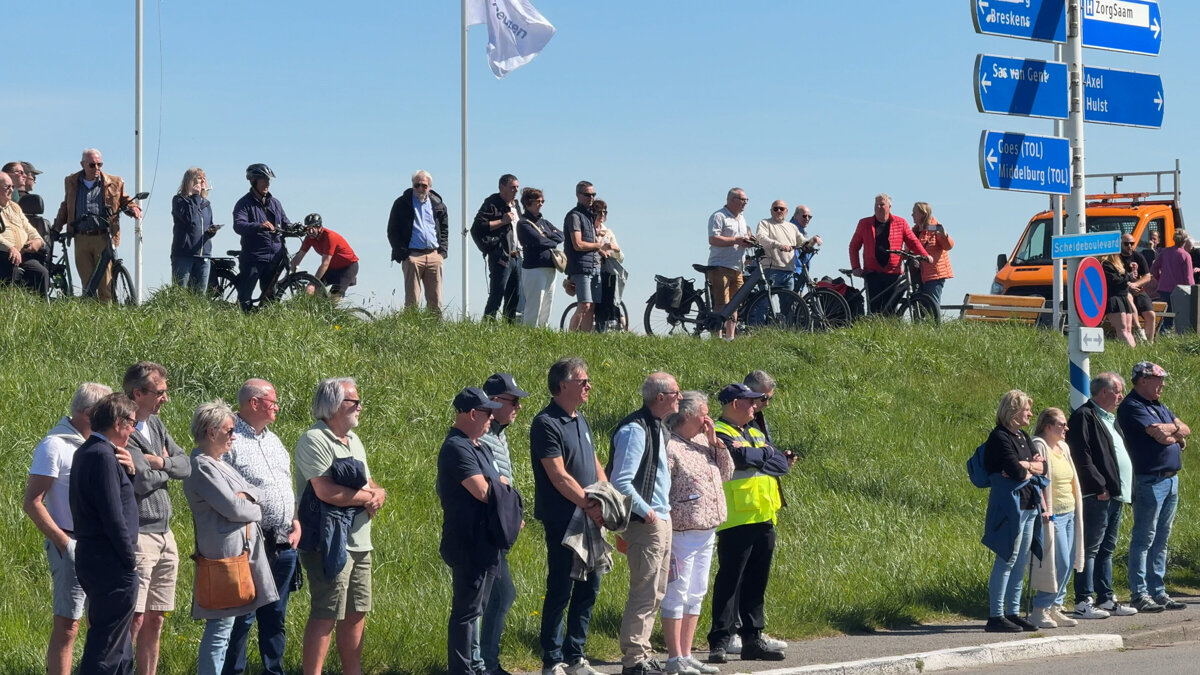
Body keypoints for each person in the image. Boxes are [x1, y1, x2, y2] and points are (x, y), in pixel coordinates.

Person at [294, 377, 387, 675]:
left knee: (356, 612)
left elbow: (368, 483)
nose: (361, 407)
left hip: (360, 542)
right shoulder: (314, 440)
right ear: (334, 406)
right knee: (326, 613)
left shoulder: (355, 441)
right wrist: (368, 498)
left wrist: (379, 491)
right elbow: (325, 491)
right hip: (328, 542)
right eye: (354, 402)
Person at [23, 383, 117, 675]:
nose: (115, 418)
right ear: (89, 413)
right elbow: (32, 502)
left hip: (102, 545)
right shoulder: (55, 445)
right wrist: (65, 544)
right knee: (68, 624)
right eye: (107, 411)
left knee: (100, 622)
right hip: (71, 544)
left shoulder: (105, 444)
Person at [183, 401, 280, 675]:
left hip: (240, 553)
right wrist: (252, 507)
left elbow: (254, 491)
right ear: (211, 432)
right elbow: (234, 508)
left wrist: (246, 499)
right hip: (223, 557)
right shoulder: (202, 466)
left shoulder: (220, 464)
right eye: (229, 430)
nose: (233, 435)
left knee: (228, 627)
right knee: (220, 628)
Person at [530, 357, 608, 675]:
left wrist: (606, 499)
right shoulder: (546, 423)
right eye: (583, 381)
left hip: (592, 515)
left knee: (590, 586)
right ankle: (552, 659)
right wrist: (590, 504)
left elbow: (594, 462)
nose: (588, 386)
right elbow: (558, 476)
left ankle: (576, 655)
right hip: (564, 517)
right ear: (564, 385)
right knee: (561, 586)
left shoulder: (580, 419)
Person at [707, 383, 793, 663]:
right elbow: (739, 459)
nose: (756, 405)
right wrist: (762, 456)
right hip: (737, 518)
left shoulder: (754, 431)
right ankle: (719, 640)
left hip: (765, 516)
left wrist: (762, 456)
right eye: (751, 401)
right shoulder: (720, 430)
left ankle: (753, 640)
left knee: (757, 582)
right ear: (734, 403)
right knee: (730, 582)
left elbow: (780, 463)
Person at [221, 379, 301, 675]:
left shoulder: (274, 440)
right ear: (254, 404)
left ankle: (273, 671)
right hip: (250, 542)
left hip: (284, 542)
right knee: (243, 617)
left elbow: (285, 486)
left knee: (276, 617)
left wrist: (296, 522)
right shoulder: (230, 442)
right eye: (272, 401)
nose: (277, 406)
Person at [610, 373, 681, 675]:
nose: (681, 397)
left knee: (657, 591)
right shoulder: (635, 430)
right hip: (645, 521)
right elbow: (621, 482)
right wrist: (647, 511)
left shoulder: (657, 428)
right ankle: (634, 659)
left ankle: (643, 652)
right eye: (676, 392)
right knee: (644, 590)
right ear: (661, 397)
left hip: (661, 518)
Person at [124, 362, 191, 675]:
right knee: (134, 617)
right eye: (160, 392)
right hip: (140, 535)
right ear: (138, 393)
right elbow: (140, 481)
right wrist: (165, 467)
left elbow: (186, 465)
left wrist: (158, 461)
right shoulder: (126, 427)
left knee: (157, 617)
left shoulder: (157, 426)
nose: (166, 398)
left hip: (166, 534)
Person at [69, 392, 140, 675]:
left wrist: (130, 474)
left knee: (119, 644)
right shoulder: (101, 455)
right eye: (132, 422)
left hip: (96, 557)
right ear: (119, 422)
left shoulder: (88, 451)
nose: (134, 430)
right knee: (107, 644)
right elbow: (113, 515)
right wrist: (129, 558)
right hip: (110, 560)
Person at [661, 392, 730, 675]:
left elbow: (726, 473)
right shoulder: (670, 447)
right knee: (677, 593)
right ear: (687, 415)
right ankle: (674, 657)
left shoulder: (705, 442)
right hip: (682, 532)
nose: (708, 419)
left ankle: (687, 654)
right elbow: (662, 488)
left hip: (707, 530)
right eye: (704, 413)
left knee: (696, 593)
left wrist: (715, 442)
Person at [439, 387, 506, 675]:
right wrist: (500, 489)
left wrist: (499, 488)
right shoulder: (457, 446)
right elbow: (482, 490)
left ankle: (474, 667)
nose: (493, 417)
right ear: (472, 414)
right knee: (466, 613)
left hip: (486, 541)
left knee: (476, 609)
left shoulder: (481, 446)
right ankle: (462, 670)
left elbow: (499, 483)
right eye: (488, 412)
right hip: (468, 542)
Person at [1118, 361, 1191, 613]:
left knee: (1162, 537)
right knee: (1145, 537)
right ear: (1143, 380)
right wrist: (1176, 435)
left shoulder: (1158, 405)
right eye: (1158, 380)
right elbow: (1157, 434)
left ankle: (1157, 590)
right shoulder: (1132, 406)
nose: (1163, 384)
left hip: (1171, 479)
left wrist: (1174, 432)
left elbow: (1185, 430)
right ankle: (1139, 593)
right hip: (1149, 479)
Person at [1067, 372, 1138, 620]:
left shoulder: (1110, 418)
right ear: (1104, 392)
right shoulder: (1084, 416)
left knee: (1107, 549)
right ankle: (1083, 600)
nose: (1121, 395)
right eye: (1118, 391)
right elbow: (1082, 455)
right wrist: (1099, 487)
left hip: (1115, 495)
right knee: (1090, 548)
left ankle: (1106, 598)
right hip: (1099, 495)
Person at [474, 373, 531, 675]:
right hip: (485, 530)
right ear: (494, 401)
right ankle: (483, 664)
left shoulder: (499, 434)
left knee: (493, 597)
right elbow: (491, 482)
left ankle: (484, 662)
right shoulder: (483, 435)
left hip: (498, 529)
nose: (518, 407)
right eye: (514, 401)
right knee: (493, 597)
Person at [981, 390, 1044, 633]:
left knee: (1020, 562)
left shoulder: (1023, 436)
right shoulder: (999, 437)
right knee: (1007, 558)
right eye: (1026, 409)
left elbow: (1043, 466)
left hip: (1028, 503)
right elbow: (1016, 472)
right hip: (1010, 505)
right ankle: (995, 615)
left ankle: (1013, 611)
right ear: (1013, 411)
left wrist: (1027, 466)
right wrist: (1028, 467)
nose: (1030, 413)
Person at [52, 149, 143, 302]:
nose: (96, 168)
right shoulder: (72, 181)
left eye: (99, 164)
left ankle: (107, 318)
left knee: (104, 284)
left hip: (103, 236)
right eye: (92, 165)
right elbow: (66, 206)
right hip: (81, 236)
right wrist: (56, 227)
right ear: (83, 164)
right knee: (87, 284)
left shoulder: (114, 182)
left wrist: (133, 208)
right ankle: (90, 320)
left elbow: (124, 200)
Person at [1029, 408, 1084, 629]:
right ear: (1048, 426)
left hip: (1070, 510)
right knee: (1057, 562)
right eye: (1062, 425)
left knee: (1069, 561)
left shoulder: (1064, 447)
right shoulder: (1039, 445)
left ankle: (1055, 606)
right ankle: (1040, 608)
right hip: (1053, 514)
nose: (1066, 428)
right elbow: (1038, 479)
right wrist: (1044, 507)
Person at [848, 193, 932, 315]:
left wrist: (925, 255)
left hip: (893, 272)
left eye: (882, 204)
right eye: (876, 205)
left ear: (889, 206)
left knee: (891, 308)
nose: (878, 207)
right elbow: (854, 247)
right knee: (875, 308)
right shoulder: (864, 224)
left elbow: (913, 241)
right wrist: (856, 267)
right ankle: (873, 330)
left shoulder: (900, 223)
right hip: (872, 272)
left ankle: (891, 330)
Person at [388, 169, 448, 315]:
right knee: (412, 298)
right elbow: (392, 231)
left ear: (430, 187)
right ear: (412, 185)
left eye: (424, 186)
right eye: (417, 185)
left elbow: (445, 229)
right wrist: (404, 254)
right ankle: (412, 328)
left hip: (434, 255)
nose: (420, 189)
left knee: (436, 299)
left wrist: (442, 252)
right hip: (413, 256)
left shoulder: (438, 204)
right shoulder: (402, 203)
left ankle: (436, 330)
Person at [233, 163, 290, 312]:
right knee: (245, 298)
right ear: (253, 181)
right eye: (264, 180)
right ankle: (240, 323)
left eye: (268, 180)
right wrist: (259, 225)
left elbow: (285, 222)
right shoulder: (244, 204)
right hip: (254, 257)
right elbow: (238, 225)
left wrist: (298, 228)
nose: (267, 183)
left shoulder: (275, 203)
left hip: (274, 258)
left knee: (270, 298)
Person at [706, 188, 755, 340]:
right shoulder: (719, 216)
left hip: (738, 267)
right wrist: (736, 240)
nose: (745, 203)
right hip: (721, 266)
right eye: (742, 199)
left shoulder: (742, 218)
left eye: (746, 200)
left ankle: (730, 338)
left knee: (735, 304)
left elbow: (741, 238)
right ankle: (717, 337)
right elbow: (713, 239)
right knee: (722, 303)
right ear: (731, 199)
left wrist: (748, 241)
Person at [474, 174, 524, 322]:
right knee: (497, 294)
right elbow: (478, 226)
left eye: (517, 187)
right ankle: (487, 326)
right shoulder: (492, 203)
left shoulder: (516, 205)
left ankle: (509, 330)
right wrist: (502, 221)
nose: (515, 190)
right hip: (501, 256)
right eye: (512, 187)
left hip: (517, 256)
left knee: (514, 296)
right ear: (502, 187)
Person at [564, 181, 609, 332]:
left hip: (594, 266)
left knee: (592, 307)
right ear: (578, 195)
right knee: (584, 305)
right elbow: (578, 244)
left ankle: (585, 339)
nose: (591, 197)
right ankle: (570, 336)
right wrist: (598, 246)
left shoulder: (590, 217)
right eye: (587, 194)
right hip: (580, 267)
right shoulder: (574, 216)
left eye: (593, 194)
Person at [517, 187, 565, 328]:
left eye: (542, 200)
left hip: (550, 268)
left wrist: (547, 235)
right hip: (534, 269)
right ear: (528, 202)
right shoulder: (523, 223)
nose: (541, 203)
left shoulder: (544, 222)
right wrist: (549, 238)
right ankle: (529, 333)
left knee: (547, 305)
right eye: (538, 201)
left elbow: (561, 235)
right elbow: (538, 241)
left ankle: (542, 333)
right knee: (534, 306)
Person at [0, 170, 50, 297]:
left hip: (22, 253)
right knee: (12, 272)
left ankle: (41, 311)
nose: (12, 190)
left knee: (41, 273)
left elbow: (29, 229)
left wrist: (37, 241)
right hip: (4, 254)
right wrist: (10, 247)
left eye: (12, 187)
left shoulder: (15, 207)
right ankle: (9, 308)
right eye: (7, 187)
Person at [168, 167, 217, 292]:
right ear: (190, 181)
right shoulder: (179, 200)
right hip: (184, 254)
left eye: (203, 179)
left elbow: (207, 224)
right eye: (198, 179)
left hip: (203, 254)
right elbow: (189, 218)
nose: (202, 182)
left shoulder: (206, 204)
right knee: (181, 292)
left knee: (200, 294)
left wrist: (211, 231)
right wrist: (195, 197)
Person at [290, 213, 360, 298]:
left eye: (313, 228)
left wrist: (313, 283)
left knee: (333, 298)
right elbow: (298, 257)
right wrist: (289, 277)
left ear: (319, 227)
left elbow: (325, 264)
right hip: (332, 267)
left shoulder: (330, 237)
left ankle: (334, 309)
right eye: (308, 228)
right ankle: (312, 310)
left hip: (347, 268)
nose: (310, 231)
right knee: (310, 293)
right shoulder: (309, 238)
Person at [756, 200, 812, 290]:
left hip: (789, 272)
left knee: (788, 302)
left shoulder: (792, 227)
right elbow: (761, 238)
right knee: (766, 302)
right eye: (775, 209)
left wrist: (814, 241)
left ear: (786, 211)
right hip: (771, 270)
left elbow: (802, 241)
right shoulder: (765, 223)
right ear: (771, 211)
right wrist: (779, 245)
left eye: (781, 209)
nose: (779, 211)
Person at [591, 200, 627, 331]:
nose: (602, 215)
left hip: (607, 272)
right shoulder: (588, 230)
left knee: (609, 302)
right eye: (598, 212)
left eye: (604, 212)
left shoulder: (608, 233)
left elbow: (621, 258)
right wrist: (600, 248)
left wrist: (615, 249)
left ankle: (611, 329)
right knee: (590, 304)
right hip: (592, 269)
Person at [1149, 229, 1193, 332]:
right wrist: (1193, 292)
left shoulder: (1165, 252)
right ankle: (1170, 334)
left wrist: (1160, 278)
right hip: (1180, 291)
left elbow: (1153, 268)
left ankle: (1163, 333)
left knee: (1165, 315)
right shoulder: (1186, 256)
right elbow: (1188, 277)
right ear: (1185, 240)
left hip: (1164, 288)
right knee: (1179, 315)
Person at [911, 202, 953, 305]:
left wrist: (944, 235)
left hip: (934, 275)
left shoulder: (935, 228)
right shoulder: (914, 231)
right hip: (918, 274)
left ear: (923, 214)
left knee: (932, 304)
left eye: (914, 212)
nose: (912, 215)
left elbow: (948, 246)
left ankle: (935, 321)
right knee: (919, 305)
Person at [1121, 234, 1157, 342]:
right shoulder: (1116, 257)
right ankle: (1138, 330)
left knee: (1151, 315)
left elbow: (1147, 276)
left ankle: (1148, 343)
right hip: (1123, 290)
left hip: (1138, 289)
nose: (1129, 246)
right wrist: (1129, 284)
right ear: (1121, 244)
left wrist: (1136, 284)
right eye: (1126, 244)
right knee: (1128, 298)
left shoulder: (1138, 256)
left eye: (1132, 243)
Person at [1099, 254, 1136, 347]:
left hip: (1123, 297)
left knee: (1128, 329)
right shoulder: (1105, 264)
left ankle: (1133, 353)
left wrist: (1128, 275)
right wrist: (1128, 276)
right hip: (1114, 298)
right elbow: (1115, 280)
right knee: (1122, 328)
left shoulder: (1117, 264)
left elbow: (1122, 279)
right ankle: (1129, 353)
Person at [788, 205, 819, 291]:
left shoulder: (802, 230)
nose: (807, 219)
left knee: (795, 301)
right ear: (795, 215)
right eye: (804, 216)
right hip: (795, 270)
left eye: (810, 217)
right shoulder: (792, 229)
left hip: (800, 270)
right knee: (790, 300)